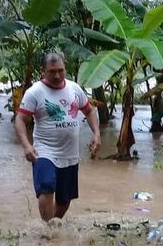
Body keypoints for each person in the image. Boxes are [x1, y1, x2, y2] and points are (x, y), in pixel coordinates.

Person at [14, 53, 101, 221]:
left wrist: (96, 134)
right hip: (44, 151)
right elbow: (20, 120)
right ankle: (48, 233)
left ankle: (52, 226)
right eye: (52, 71)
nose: (57, 75)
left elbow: (89, 111)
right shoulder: (35, 92)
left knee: (64, 200)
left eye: (61, 71)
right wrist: (26, 145)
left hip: (70, 154)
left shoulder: (75, 89)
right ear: (43, 72)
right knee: (46, 187)